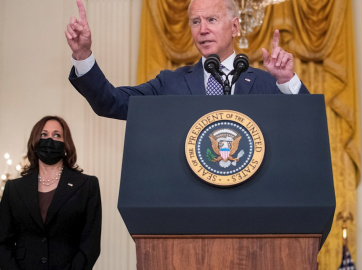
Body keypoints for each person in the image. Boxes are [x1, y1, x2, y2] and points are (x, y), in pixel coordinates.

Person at [65, 0, 310, 120]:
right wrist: (82, 55)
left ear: (235, 26)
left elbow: (306, 123)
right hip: (189, 204)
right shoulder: (170, 83)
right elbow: (111, 103)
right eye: (195, 21)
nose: (202, 29)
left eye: (211, 20)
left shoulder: (266, 83)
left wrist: (287, 80)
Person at [0, 116, 101, 269]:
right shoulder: (14, 188)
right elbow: (3, 242)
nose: (49, 139)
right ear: (35, 141)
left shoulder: (87, 186)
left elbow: (90, 244)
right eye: (43, 134)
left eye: (56, 135)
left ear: (66, 144)